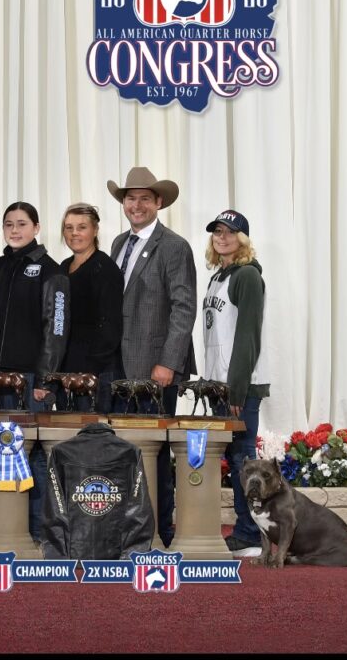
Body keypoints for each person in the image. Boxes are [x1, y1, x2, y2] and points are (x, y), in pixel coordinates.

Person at [107, 167, 196, 547]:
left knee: (155, 453)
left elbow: (183, 308)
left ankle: (159, 529)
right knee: (127, 450)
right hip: (120, 366)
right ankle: (130, 526)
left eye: (145, 198)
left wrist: (168, 362)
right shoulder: (116, 244)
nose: (136, 204)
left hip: (154, 367)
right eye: (130, 198)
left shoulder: (173, 246)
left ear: (159, 203)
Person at [0, 202, 68, 542]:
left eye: (22, 224)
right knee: (3, 452)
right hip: (0, 380)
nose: (15, 230)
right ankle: (7, 530)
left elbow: (56, 329)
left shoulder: (51, 270)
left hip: (33, 381)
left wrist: (46, 379)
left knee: (37, 458)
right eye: (9, 224)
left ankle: (40, 534)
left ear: (36, 228)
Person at [201, 209, 269, 558]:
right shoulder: (219, 277)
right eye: (217, 231)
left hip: (239, 388)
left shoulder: (246, 277)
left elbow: (247, 337)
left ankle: (251, 534)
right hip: (219, 386)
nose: (222, 237)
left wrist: (236, 389)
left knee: (244, 460)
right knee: (235, 458)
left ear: (242, 239)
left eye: (230, 232)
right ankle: (246, 530)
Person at [59, 203, 123, 414]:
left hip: (96, 372)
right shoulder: (62, 267)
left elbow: (110, 324)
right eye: (69, 227)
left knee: (94, 438)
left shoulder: (105, 268)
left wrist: (91, 371)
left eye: (81, 227)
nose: (74, 233)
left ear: (95, 230)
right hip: (66, 369)